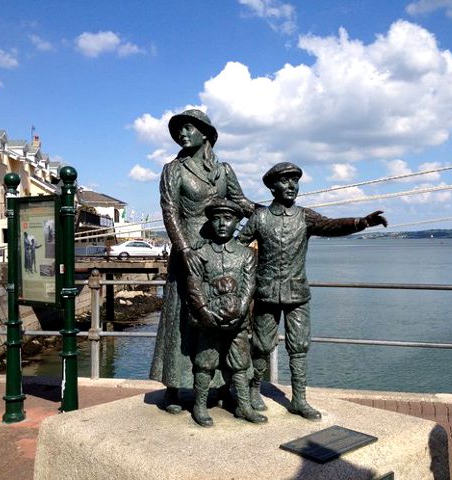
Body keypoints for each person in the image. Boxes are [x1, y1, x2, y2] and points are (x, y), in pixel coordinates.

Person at [238, 162, 387, 420]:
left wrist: (361, 222)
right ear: (272, 187)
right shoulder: (259, 218)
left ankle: (299, 399)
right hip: (265, 292)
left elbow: (331, 226)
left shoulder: (305, 217)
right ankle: (253, 390)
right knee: (261, 345)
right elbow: (237, 249)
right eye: (285, 181)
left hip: (297, 293)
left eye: (295, 181)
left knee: (299, 346)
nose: (292, 185)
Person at [149, 109, 257, 414]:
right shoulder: (173, 169)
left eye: (189, 129)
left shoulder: (224, 170)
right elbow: (170, 212)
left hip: (221, 248)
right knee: (180, 320)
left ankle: (222, 386)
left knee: (223, 313)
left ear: (205, 133)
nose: (182, 134)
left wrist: (266, 212)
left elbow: (241, 202)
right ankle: (172, 389)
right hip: (190, 251)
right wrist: (184, 250)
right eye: (179, 130)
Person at [184, 198, 267, 427]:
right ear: (210, 221)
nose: (222, 223)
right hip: (208, 320)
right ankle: (199, 406)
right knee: (204, 363)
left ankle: (244, 406)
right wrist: (204, 311)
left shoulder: (246, 254)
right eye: (217, 218)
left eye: (228, 218)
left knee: (240, 364)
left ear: (237, 222)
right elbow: (194, 285)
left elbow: (250, 285)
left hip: (237, 321)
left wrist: (241, 308)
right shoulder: (201, 253)